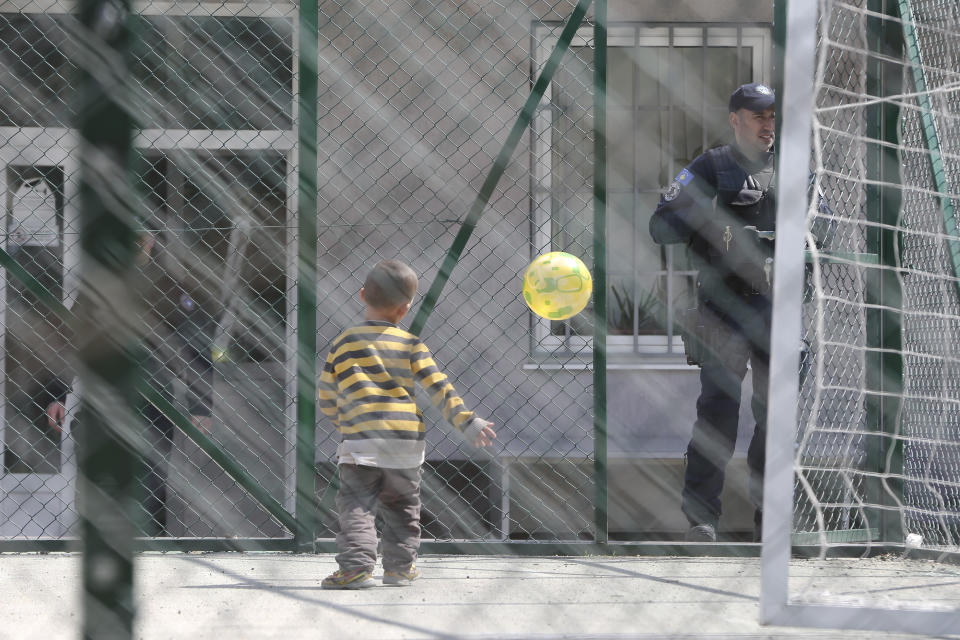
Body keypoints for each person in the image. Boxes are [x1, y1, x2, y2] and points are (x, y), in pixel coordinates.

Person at [649, 82, 777, 543]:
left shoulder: (793, 167)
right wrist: (709, 216)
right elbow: (660, 227)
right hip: (721, 308)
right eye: (758, 115)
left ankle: (772, 514)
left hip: (775, 309)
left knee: (776, 415)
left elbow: (822, 235)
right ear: (735, 119)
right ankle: (702, 521)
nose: (767, 125)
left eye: (772, 116)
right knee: (718, 413)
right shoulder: (710, 166)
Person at [318, 259, 496, 589]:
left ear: (361, 295)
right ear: (405, 309)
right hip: (404, 445)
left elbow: (327, 393)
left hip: (361, 443)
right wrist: (468, 422)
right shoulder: (412, 345)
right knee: (402, 506)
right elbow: (439, 387)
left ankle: (357, 565)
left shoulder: (344, 343)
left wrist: (342, 420)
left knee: (357, 505)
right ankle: (399, 568)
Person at [46, 221, 216, 537]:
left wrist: (200, 404)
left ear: (151, 242)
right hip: (103, 397)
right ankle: (98, 539)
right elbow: (68, 341)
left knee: (150, 477)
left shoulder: (171, 287)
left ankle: (149, 543)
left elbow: (195, 348)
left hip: (154, 398)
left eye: (140, 239)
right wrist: (57, 394)